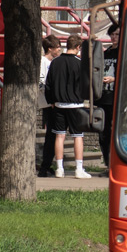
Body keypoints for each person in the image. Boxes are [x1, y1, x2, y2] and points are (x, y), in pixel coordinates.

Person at [45, 33, 92, 179]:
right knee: (78, 136)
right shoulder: (80, 63)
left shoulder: (55, 62)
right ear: (78, 47)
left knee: (59, 136)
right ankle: (79, 169)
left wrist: (51, 101)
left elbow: (49, 84)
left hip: (58, 104)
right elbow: (86, 84)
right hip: (76, 105)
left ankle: (59, 168)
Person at [36, 34, 63, 177]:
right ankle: (44, 167)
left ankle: (48, 164)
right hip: (48, 104)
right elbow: (42, 84)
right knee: (51, 135)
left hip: (53, 102)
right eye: (57, 46)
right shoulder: (43, 62)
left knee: (53, 135)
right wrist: (51, 100)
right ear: (50, 48)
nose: (59, 49)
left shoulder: (54, 62)